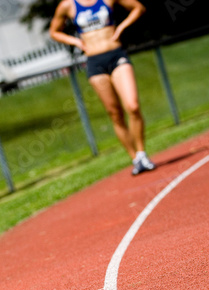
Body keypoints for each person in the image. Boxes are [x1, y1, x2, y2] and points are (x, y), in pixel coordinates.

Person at [50, 0, 156, 175]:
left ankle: (142, 153)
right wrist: (76, 42)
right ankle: (135, 159)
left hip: (116, 55)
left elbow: (138, 8)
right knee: (115, 114)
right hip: (95, 63)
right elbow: (54, 31)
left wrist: (121, 27)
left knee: (133, 105)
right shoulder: (68, 5)